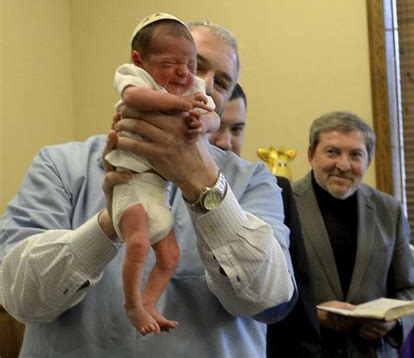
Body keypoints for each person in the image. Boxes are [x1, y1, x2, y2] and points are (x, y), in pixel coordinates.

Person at [0, 18, 296, 357]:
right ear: (143, 64)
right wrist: (109, 224)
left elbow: (268, 297)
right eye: (195, 64)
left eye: (223, 81)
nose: (203, 81)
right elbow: (18, 297)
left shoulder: (255, 180)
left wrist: (202, 182)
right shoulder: (60, 166)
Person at [105, 13, 219, 335]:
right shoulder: (135, 78)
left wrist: (203, 124)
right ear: (139, 60)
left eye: (191, 64)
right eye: (171, 62)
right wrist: (181, 104)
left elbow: (214, 118)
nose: (184, 72)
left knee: (169, 257)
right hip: (129, 183)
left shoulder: (192, 86)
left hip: (157, 191)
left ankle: (150, 300)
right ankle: (131, 304)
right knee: (138, 245)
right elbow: (132, 99)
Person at [292, 111, 414, 358]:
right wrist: (312, 314)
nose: (343, 165)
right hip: (306, 350)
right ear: (311, 155)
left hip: (371, 351)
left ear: (368, 161)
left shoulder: (389, 211)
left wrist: (395, 323)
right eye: (332, 152)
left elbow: (408, 290)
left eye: (355, 155)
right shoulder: (283, 203)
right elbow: (269, 292)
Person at [210, 84, 321, 357]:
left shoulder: (270, 188)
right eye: (217, 127)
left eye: (237, 130)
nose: (226, 141)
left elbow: (299, 302)